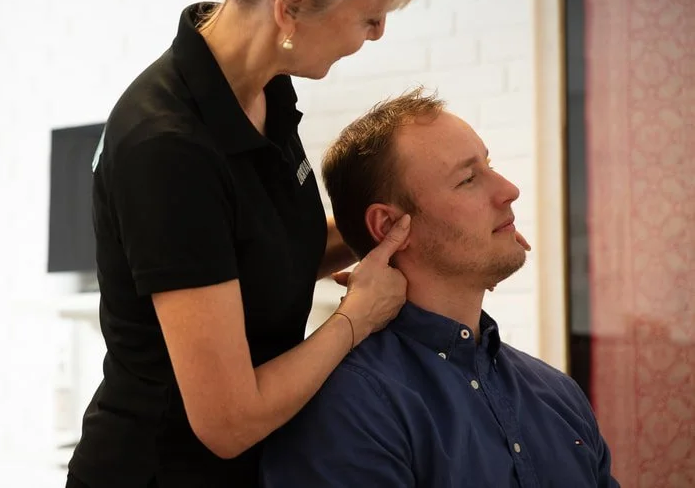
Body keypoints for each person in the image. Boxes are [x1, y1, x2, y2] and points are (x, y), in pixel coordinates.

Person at [65, 0, 440, 488]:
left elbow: (266, 248)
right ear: (292, 7)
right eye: (370, 16)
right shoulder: (168, 146)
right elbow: (228, 418)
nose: (376, 35)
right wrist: (357, 319)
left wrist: (393, 224)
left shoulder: (267, 89)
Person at [259, 88, 618, 488]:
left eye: (489, 165)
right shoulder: (348, 407)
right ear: (388, 225)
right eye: (468, 179)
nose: (508, 190)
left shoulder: (557, 394)